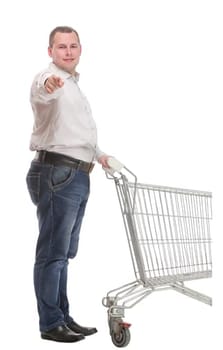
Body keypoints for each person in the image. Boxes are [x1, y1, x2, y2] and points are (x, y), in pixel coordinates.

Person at [27, 25, 111, 344]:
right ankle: (50, 323)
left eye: (73, 46)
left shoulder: (75, 85)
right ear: (50, 51)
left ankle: (61, 316)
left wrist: (100, 155)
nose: (68, 52)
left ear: (80, 49)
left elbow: (76, 132)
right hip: (57, 174)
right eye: (61, 47)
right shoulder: (50, 79)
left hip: (77, 173)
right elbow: (42, 92)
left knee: (63, 253)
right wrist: (48, 85)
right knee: (52, 253)